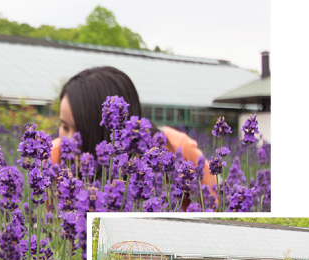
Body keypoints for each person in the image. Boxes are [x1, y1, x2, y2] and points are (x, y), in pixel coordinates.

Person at [51, 66, 216, 192]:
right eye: (64, 126)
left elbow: (217, 208)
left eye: (81, 129)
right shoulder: (53, 154)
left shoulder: (177, 148)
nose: (70, 140)